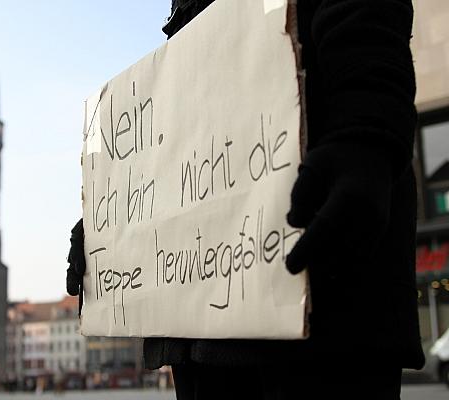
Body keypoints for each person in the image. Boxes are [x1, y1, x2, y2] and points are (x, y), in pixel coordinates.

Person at [67, 0, 424, 398]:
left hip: (317, 281)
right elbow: (188, 127)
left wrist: (367, 133)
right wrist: (111, 227)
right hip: (203, 320)